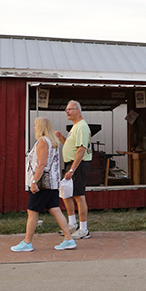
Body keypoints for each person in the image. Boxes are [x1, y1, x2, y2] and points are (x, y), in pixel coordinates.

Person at [11, 117, 76, 252]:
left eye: (35, 125)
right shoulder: (53, 142)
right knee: (55, 209)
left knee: (32, 211)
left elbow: (41, 164)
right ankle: (68, 239)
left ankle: (27, 242)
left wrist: (34, 182)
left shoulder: (42, 141)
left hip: (42, 183)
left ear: (41, 127)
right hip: (52, 183)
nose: (34, 128)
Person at [54, 100, 92, 240]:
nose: (67, 112)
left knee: (79, 196)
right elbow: (71, 146)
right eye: (66, 110)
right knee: (67, 194)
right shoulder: (75, 127)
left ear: (78, 110)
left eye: (70, 109)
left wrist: (72, 170)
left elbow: (81, 150)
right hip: (71, 164)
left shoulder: (82, 127)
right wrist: (61, 138)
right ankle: (72, 224)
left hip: (77, 165)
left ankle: (83, 229)